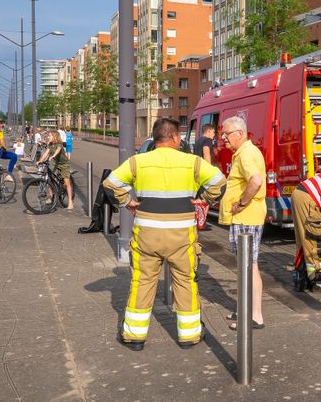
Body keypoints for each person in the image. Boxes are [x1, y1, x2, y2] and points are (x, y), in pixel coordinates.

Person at [103, 118, 226, 351]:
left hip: (147, 235)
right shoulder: (193, 162)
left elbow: (110, 184)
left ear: (155, 138)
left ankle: (134, 337)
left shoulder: (137, 162)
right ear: (175, 138)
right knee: (185, 281)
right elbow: (220, 183)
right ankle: (189, 336)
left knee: (143, 281)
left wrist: (128, 201)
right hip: (182, 236)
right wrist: (205, 200)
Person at [219, 116, 266, 330]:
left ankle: (254, 316)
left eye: (226, 134)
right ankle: (245, 310)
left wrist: (241, 203)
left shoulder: (246, 154)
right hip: (246, 217)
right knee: (245, 266)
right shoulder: (245, 152)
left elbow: (255, 181)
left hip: (246, 217)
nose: (223, 138)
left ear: (239, 133)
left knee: (249, 266)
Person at [37, 131, 74, 210]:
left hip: (64, 164)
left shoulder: (59, 144)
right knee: (50, 180)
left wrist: (53, 156)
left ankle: (70, 202)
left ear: (54, 136)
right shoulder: (50, 145)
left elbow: (58, 150)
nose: (48, 137)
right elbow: (46, 153)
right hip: (55, 163)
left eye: (49, 136)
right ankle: (51, 197)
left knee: (67, 182)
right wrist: (40, 161)